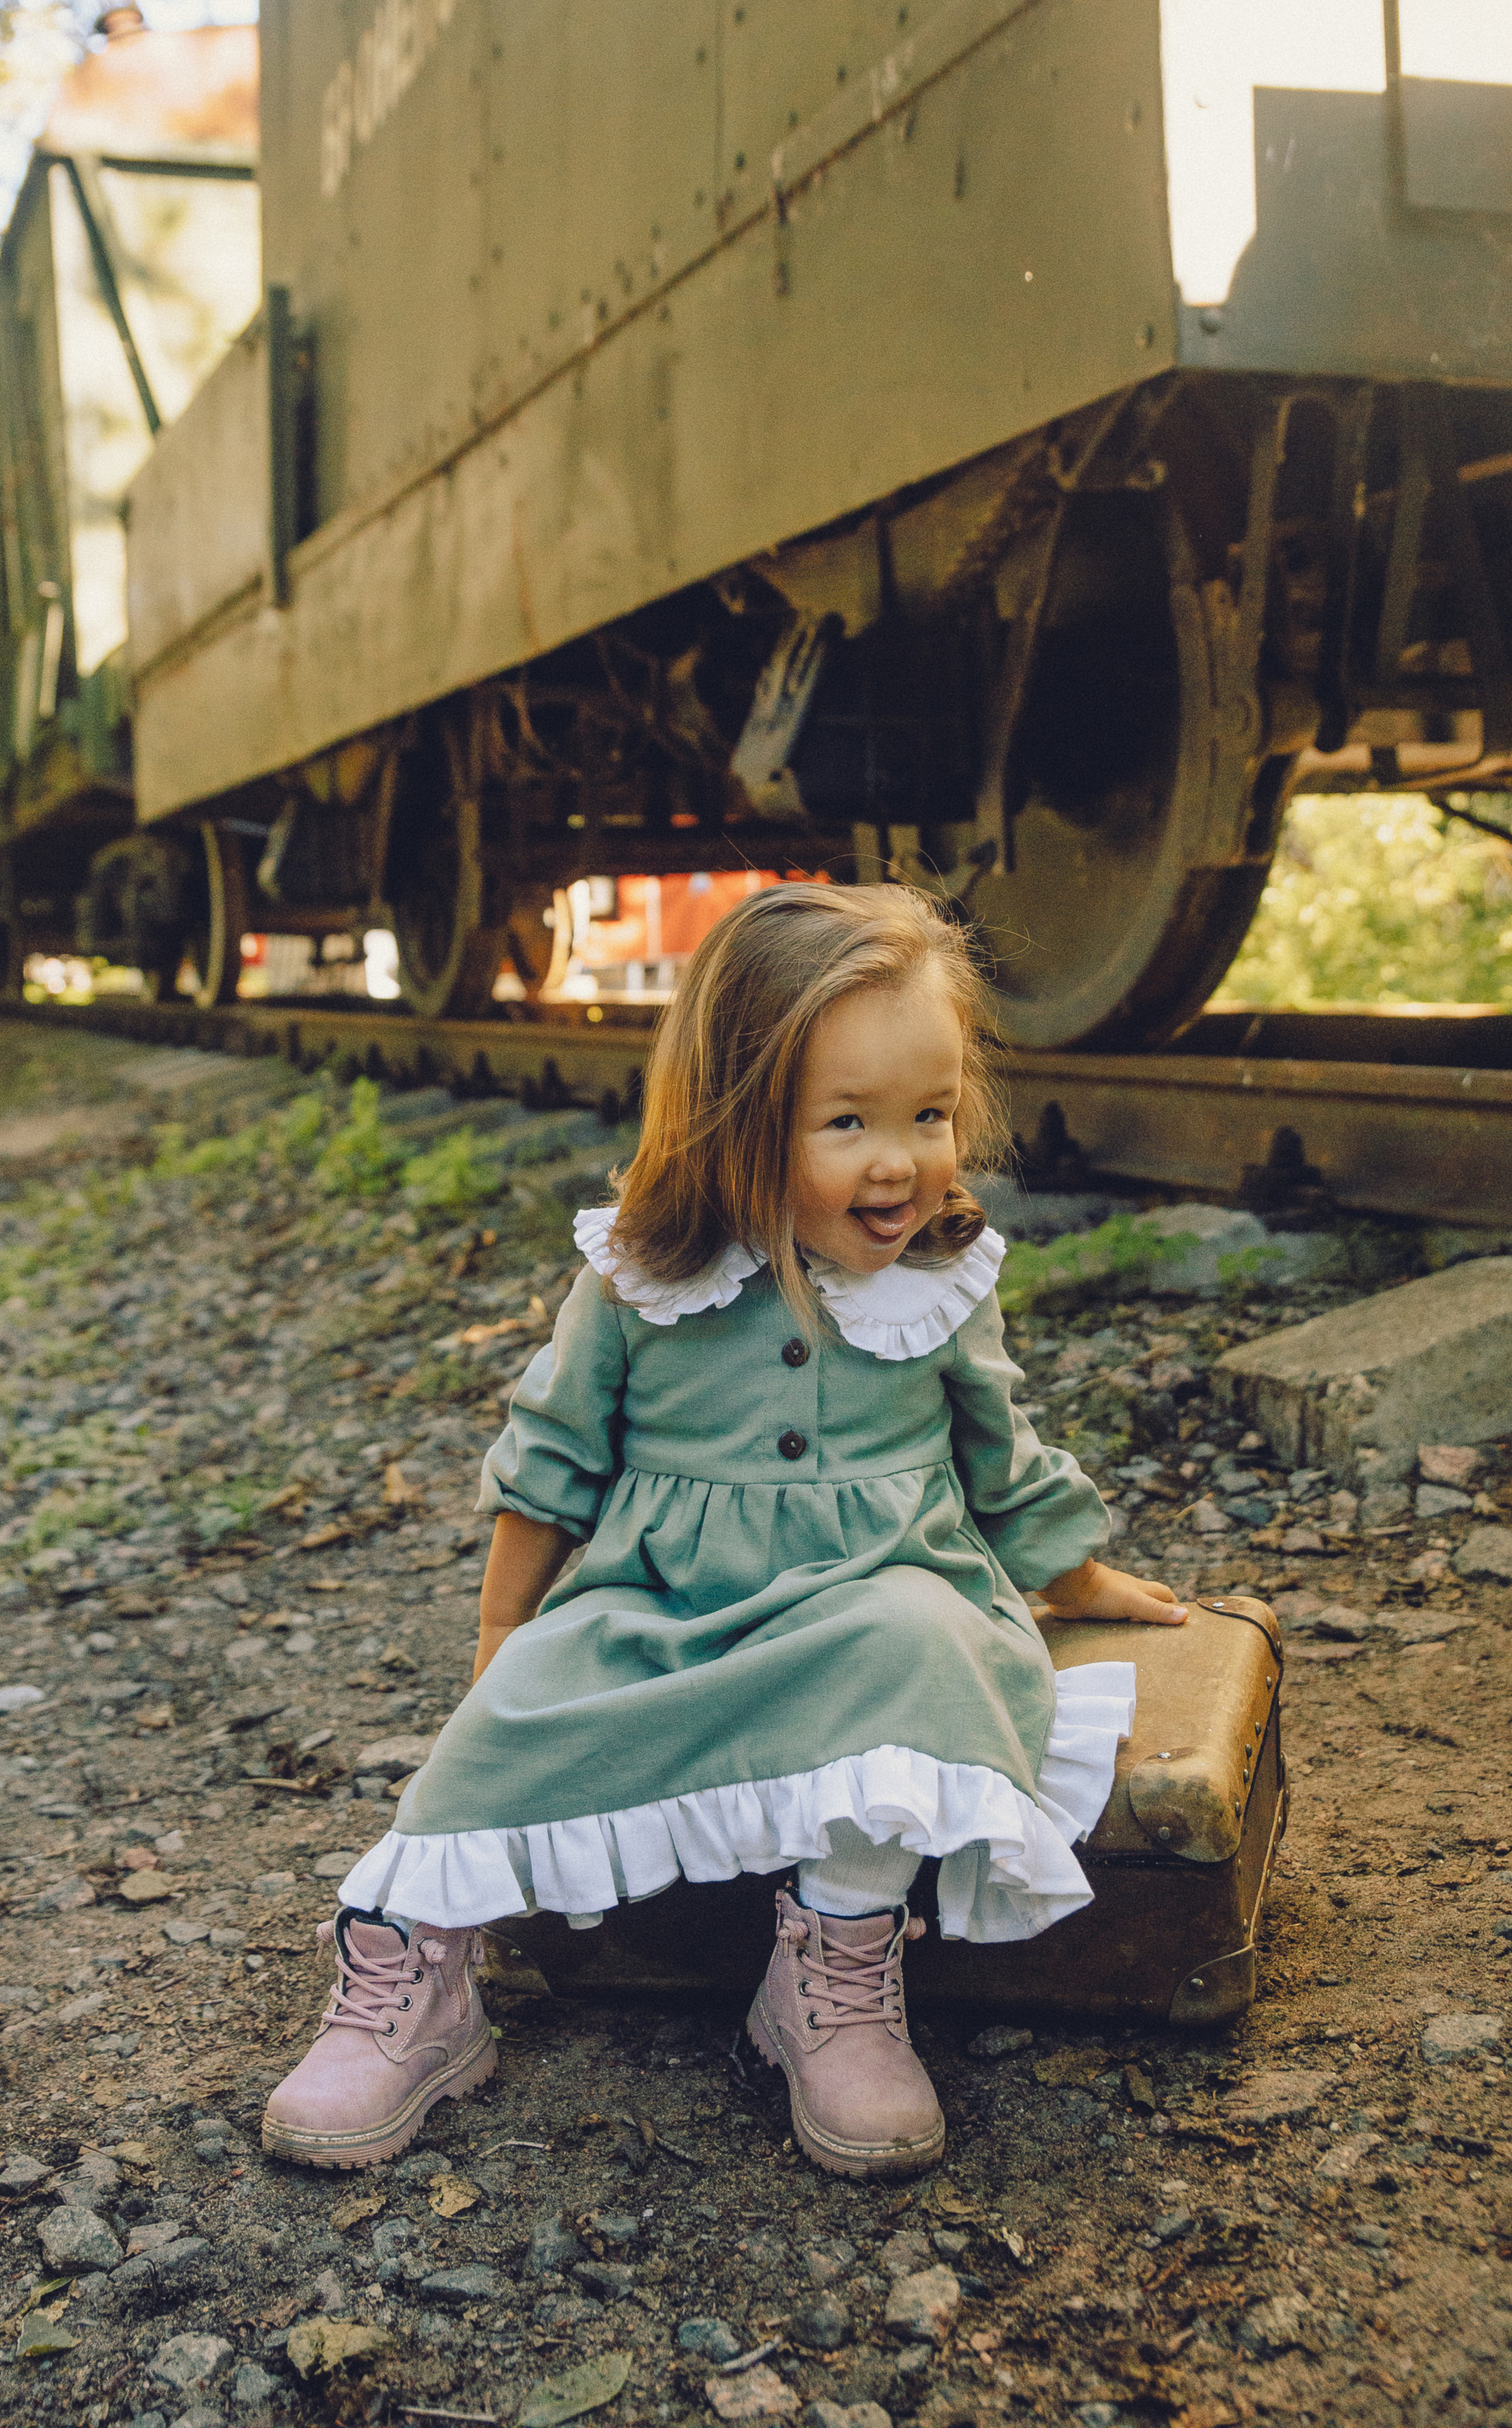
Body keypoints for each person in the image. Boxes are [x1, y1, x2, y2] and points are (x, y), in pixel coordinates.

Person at [263, 882, 1186, 2181]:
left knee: (922, 1651)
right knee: (516, 1714)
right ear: (740, 1120)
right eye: (849, 1122)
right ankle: (416, 1979)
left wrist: (1074, 1571)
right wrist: (503, 1634)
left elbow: (1002, 1445)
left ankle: (837, 1971)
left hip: (882, 1588)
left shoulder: (942, 1277)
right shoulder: (646, 1272)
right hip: (664, 1609)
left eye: (929, 1116)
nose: (901, 1161)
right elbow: (553, 1453)